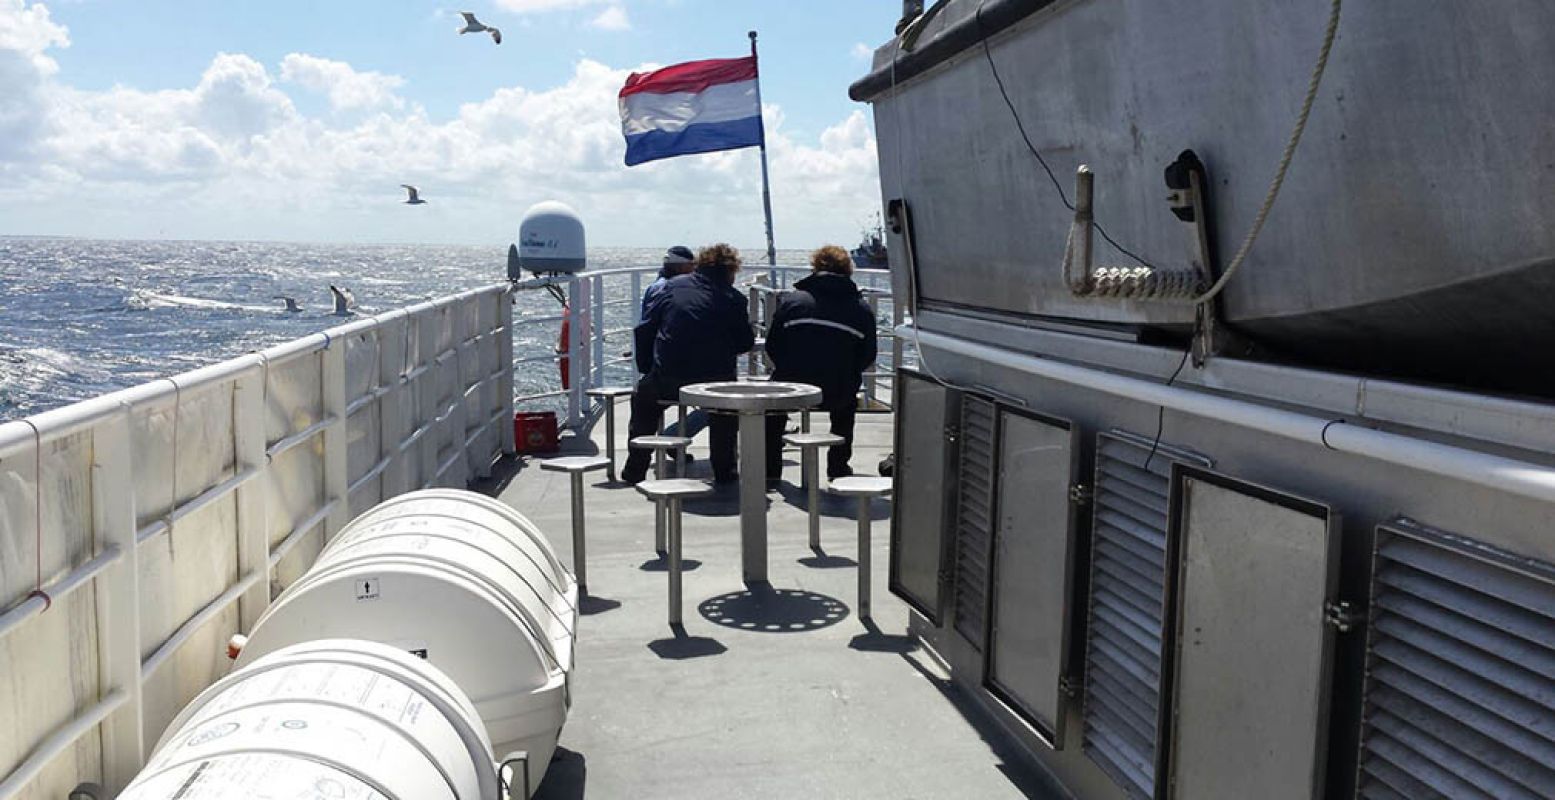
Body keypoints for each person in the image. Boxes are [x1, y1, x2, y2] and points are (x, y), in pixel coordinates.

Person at [623, 243, 755, 484]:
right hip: (714, 385)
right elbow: (745, 342)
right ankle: (725, 471)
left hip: (669, 379)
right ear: (731, 271)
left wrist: (647, 369)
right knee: (725, 412)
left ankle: (635, 469)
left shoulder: (670, 288)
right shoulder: (734, 299)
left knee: (644, 401)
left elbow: (644, 330)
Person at [764, 245, 877, 481]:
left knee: (773, 412)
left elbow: (772, 345)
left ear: (815, 267)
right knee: (846, 410)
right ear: (848, 270)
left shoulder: (793, 302)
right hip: (837, 389)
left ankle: (770, 470)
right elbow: (868, 355)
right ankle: (838, 468)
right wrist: (847, 372)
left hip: (792, 387)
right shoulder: (861, 309)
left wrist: (788, 369)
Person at [638, 246, 708, 443]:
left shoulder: (654, 287)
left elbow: (646, 328)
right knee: (719, 403)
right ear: (681, 267)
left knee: (645, 405)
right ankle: (675, 436)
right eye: (691, 266)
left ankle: (638, 459)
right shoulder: (673, 290)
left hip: (656, 364)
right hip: (675, 366)